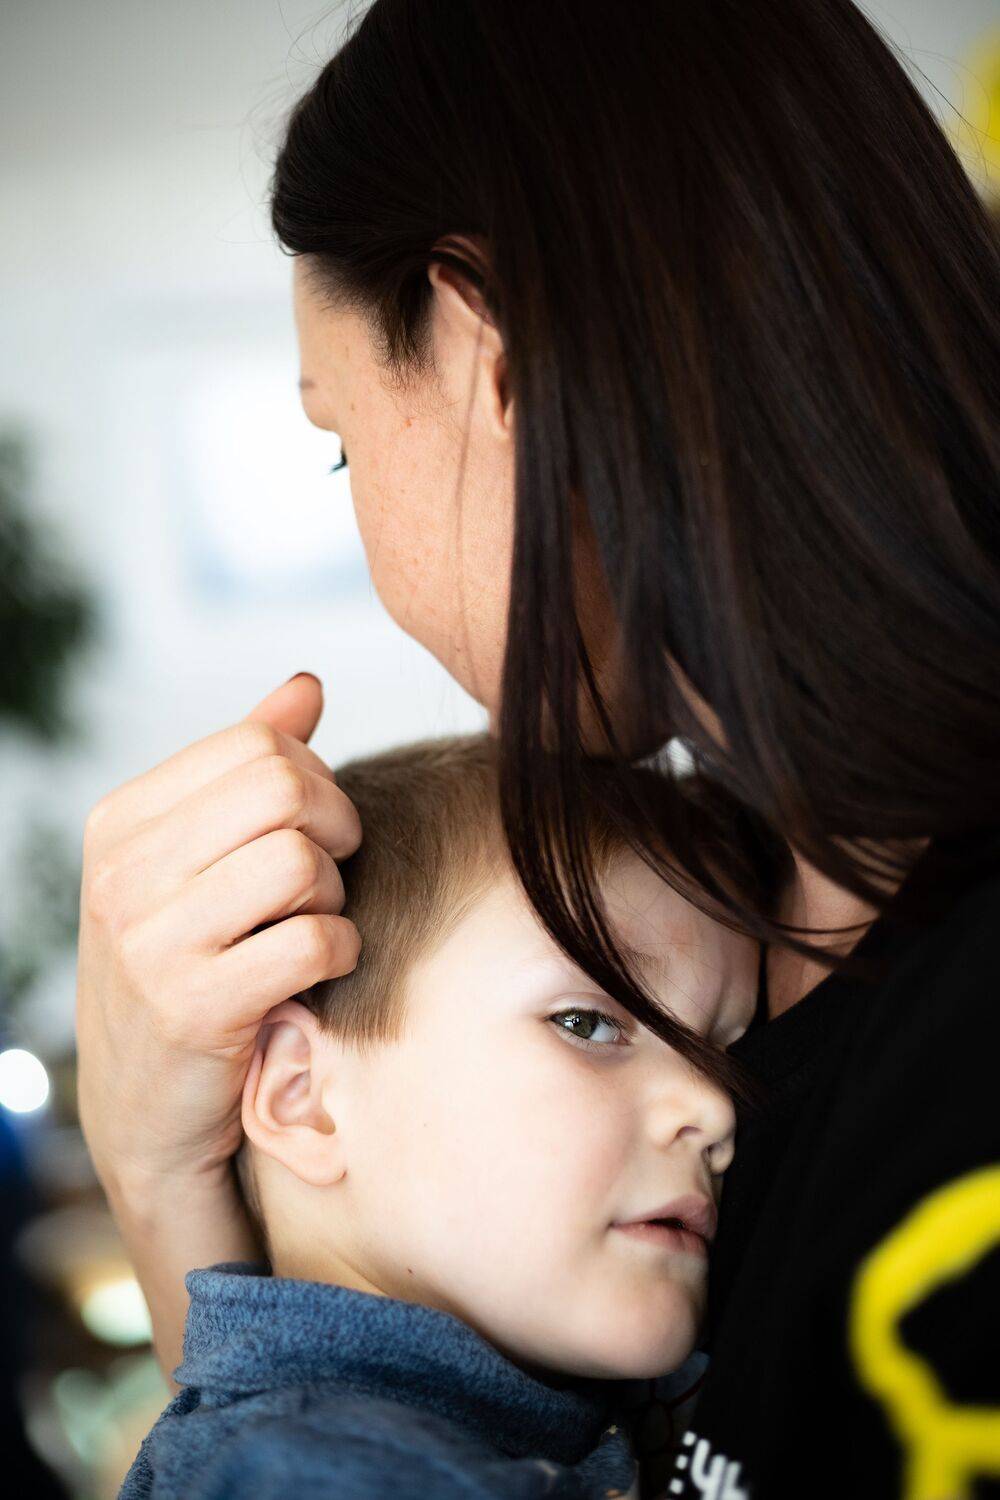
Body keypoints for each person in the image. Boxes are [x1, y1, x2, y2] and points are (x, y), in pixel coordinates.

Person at [75, 2, 1000, 1496]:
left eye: (342, 440)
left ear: (487, 357)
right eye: (589, 1025)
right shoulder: (731, 938)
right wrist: (165, 1180)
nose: (707, 1110)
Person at [119, 734, 761, 1499]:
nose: (714, 1108)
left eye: (726, 1055)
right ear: (305, 1097)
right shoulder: (320, 1478)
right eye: (586, 1024)